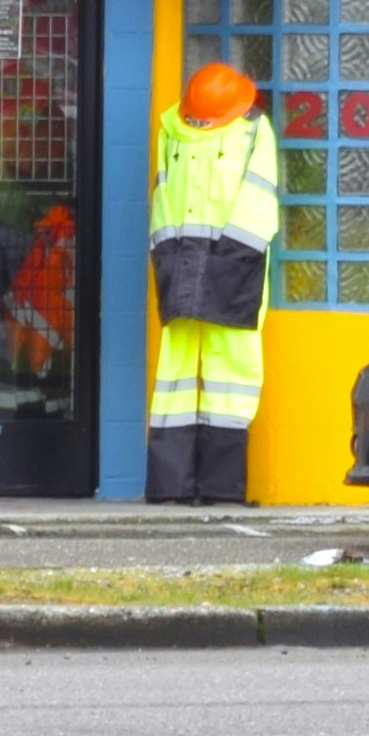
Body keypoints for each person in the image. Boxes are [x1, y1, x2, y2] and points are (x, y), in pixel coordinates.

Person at [146, 60, 279, 506]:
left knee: (231, 371)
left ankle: (219, 488)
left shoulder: (253, 130)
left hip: (231, 265)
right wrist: (168, 256)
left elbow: (258, 201)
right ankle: (172, 485)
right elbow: (163, 196)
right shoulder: (171, 131)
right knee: (178, 372)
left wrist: (226, 264)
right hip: (189, 262)